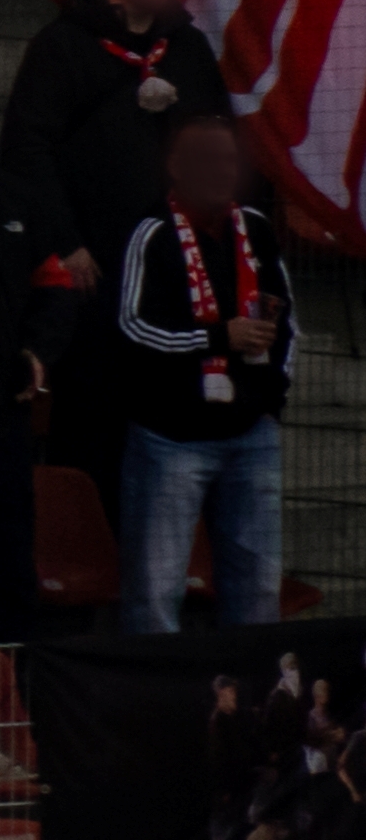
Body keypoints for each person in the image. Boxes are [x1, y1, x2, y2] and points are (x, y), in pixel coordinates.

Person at [111, 114, 298, 633]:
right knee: (155, 592)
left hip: (251, 435)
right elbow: (131, 326)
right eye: (207, 160)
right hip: (170, 439)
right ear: (175, 166)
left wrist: (269, 401)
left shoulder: (256, 229)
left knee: (259, 588)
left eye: (228, 161)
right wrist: (218, 338)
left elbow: (288, 323)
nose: (220, 171)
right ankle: (154, 708)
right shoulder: (151, 232)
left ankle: (253, 708)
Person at [0, 0, 231, 294]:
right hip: (93, 265)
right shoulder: (61, 46)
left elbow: (224, 142)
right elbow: (26, 150)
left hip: (180, 263)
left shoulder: (189, 47)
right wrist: (65, 242)